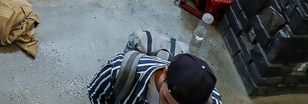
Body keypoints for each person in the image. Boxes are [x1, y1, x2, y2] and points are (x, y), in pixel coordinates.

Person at [88, 51, 222, 104]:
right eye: (166, 101)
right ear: (165, 72)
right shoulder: (118, 70)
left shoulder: (214, 101)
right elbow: (96, 95)